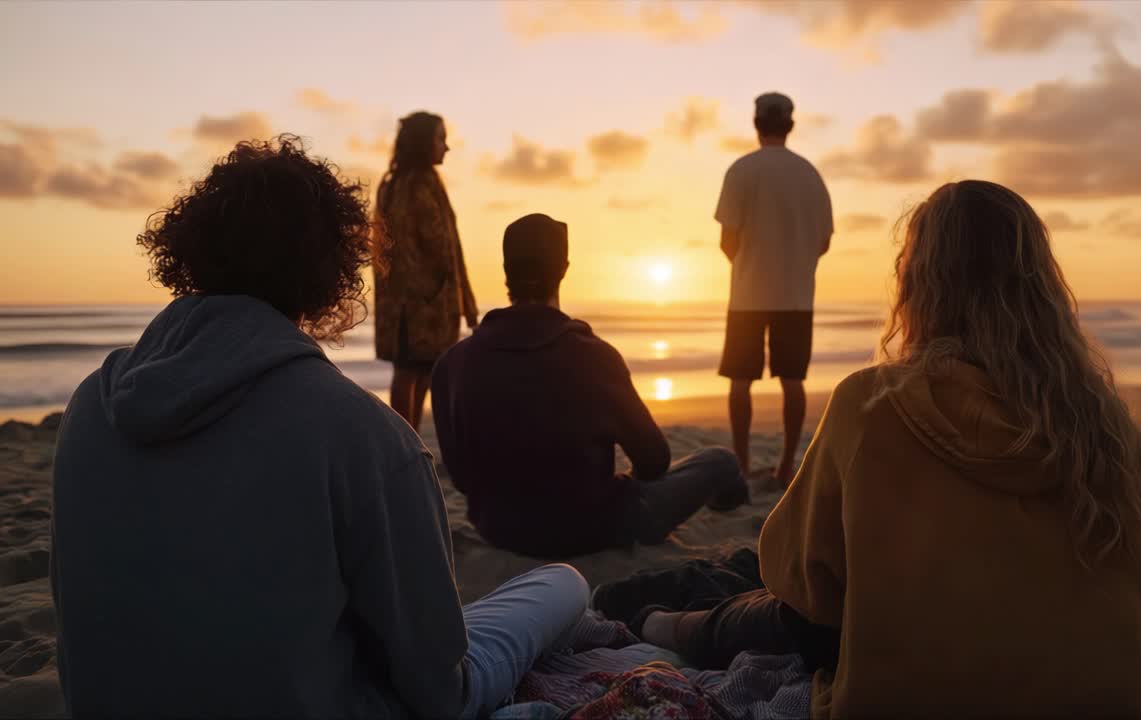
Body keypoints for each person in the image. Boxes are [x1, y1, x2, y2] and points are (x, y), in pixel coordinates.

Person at [50, 137, 588, 719]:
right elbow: (436, 688)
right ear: (330, 269)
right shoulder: (362, 435)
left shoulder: (88, 411)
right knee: (562, 585)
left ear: (192, 248)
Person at [636, 181, 1141, 718]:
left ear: (918, 281)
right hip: (1117, 697)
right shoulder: (1100, 420)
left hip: (913, 694)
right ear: (1041, 283)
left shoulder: (873, 403)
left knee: (771, 610)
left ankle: (653, 622)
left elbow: (799, 582)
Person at [432, 213, 749, 558]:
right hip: (595, 530)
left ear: (506, 271)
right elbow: (655, 460)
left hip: (499, 530)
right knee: (720, 462)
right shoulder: (595, 356)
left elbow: (462, 478)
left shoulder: (453, 364)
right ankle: (732, 508)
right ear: (564, 269)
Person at [715, 92, 833, 489]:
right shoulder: (809, 174)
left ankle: (743, 468)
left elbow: (726, 238)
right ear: (791, 125)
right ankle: (785, 467)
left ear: (755, 123)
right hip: (796, 295)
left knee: (739, 381)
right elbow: (824, 240)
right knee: (793, 381)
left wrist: (748, 267)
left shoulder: (742, 170)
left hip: (748, 294)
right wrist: (796, 267)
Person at [373, 111, 477, 431]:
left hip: (423, 303)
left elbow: (447, 247)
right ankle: (404, 441)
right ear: (423, 143)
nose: (446, 147)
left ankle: (409, 439)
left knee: (421, 372)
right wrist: (442, 292)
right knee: (410, 372)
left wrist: (464, 299)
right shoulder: (410, 185)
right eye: (440, 139)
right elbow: (433, 247)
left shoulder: (409, 183)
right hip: (416, 306)